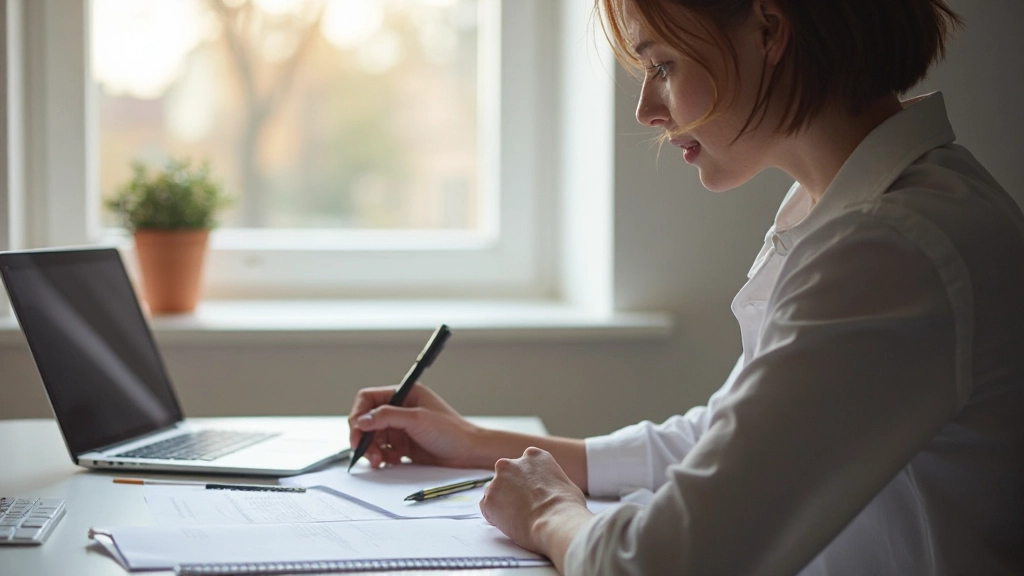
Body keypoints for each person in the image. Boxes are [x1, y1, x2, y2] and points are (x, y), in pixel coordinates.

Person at [348, 0, 1024, 573]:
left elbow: (666, 561)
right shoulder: (846, 213)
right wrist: (476, 443)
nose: (646, 108)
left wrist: (550, 511)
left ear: (767, 29)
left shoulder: (895, 247)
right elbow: (724, 441)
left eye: (661, 65)